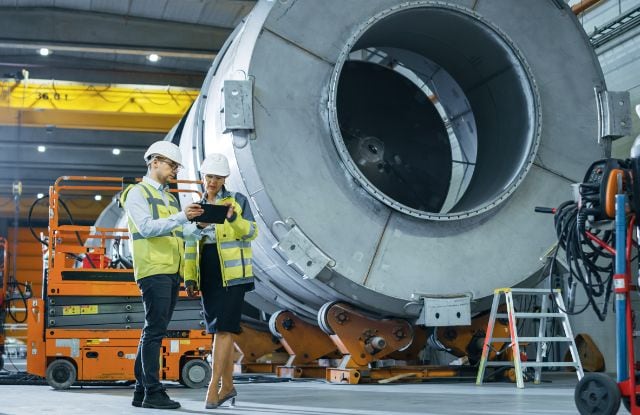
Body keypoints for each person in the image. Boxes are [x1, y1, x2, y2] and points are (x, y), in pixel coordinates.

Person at [121, 140, 204, 409]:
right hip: (153, 269)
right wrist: (182, 217)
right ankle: (153, 393)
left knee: (152, 331)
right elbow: (146, 228)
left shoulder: (169, 197)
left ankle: (140, 391)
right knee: (154, 332)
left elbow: (179, 231)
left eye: (177, 167)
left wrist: (198, 225)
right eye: (172, 165)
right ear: (154, 162)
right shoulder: (137, 193)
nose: (175, 171)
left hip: (170, 269)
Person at [183, 153, 258, 409]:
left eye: (217, 177)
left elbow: (251, 232)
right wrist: (190, 277)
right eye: (209, 176)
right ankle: (227, 387)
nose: (212, 181)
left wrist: (233, 218)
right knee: (217, 331)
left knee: (223, 330)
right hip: (209, 272)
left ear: (225, 178)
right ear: (202, 177)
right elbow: (190, 245)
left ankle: (213, 388)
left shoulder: (237, 201)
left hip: (233, 275)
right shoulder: (196, 206)